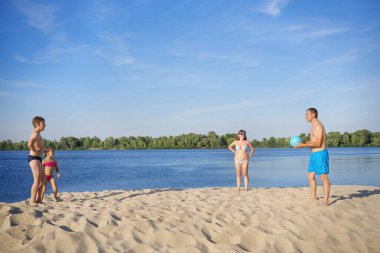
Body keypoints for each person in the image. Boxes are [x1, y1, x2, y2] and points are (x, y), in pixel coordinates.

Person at [294, 108, 331, 206]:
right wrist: (302, 143)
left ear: (313, 114)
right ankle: (313, 197)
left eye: (307, 114)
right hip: (314, 155)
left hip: (320, 154)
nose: (305, 116)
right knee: (310, 176)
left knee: (324, 177)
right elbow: (313, 142)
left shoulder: (318, 126)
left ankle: (326, 200)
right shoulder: (312, 127)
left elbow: (318, 143)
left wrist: (302, 145)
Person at [27, 116, 47, 206]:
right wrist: (35, 151)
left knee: (43, 180)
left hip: (38, 158)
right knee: (37, 180)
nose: (45, 125)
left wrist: (44, 149)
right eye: (44, 124)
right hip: (33, 158)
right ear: (38, 124)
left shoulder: (38, 134)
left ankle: (39, 199)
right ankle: (32, 201)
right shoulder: (35, 134)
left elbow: (38, 145)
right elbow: (29, 144)